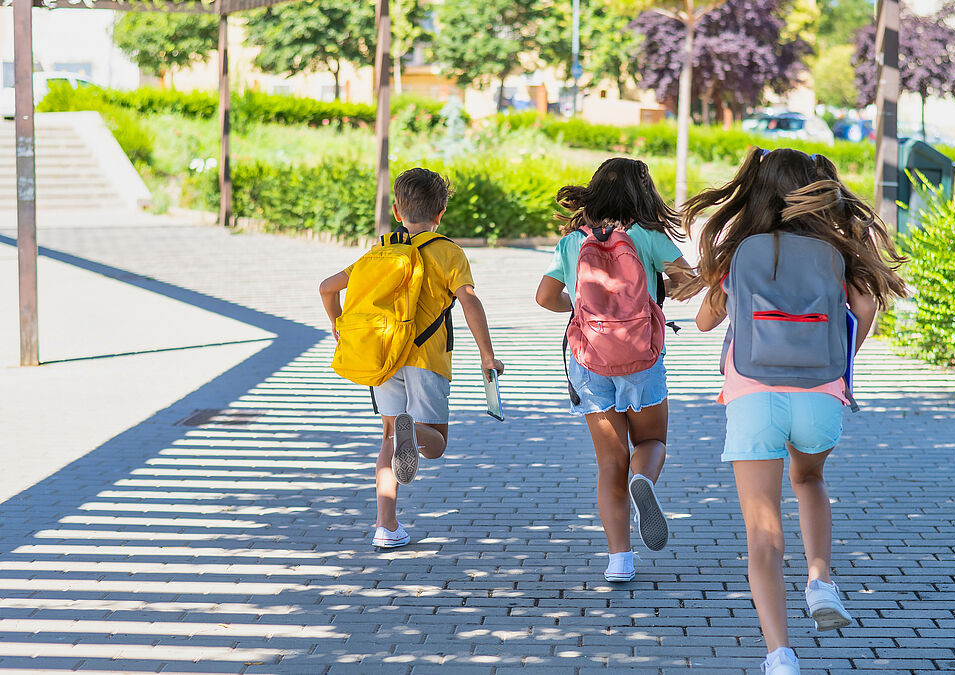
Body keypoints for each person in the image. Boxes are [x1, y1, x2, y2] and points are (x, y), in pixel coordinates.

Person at [681, 148, 907, 674]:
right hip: (820, 395)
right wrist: (839, 362)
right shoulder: (834, 247)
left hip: (753, 394)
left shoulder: (738, 250)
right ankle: (821, 580)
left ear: (756, 191)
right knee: (809, 481)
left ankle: (780, 655)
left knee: (762, 528)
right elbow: (868, 307)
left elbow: (705, 324)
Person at [319, 168, 503, 549]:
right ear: (442, 212)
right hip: (427, 360)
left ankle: (386, 527)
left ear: (397, 211)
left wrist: (338, 325)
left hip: (385, 358)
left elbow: (326, 287)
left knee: (388, 438)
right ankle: (413, 432)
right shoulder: (448, 251)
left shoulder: (381, 252)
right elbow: (469, 300)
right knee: (435, 442)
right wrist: (487, 354)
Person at [534, 158, 696, 583]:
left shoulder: (572, 242)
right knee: (653, 439)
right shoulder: (647, 235)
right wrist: (660, 292)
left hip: (589, 359)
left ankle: (619, 560)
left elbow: (544, 296)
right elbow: (688, 281)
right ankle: (644, 481)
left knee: (609, 463)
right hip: (642, 354)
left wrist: (582, 310)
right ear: (643, 194)